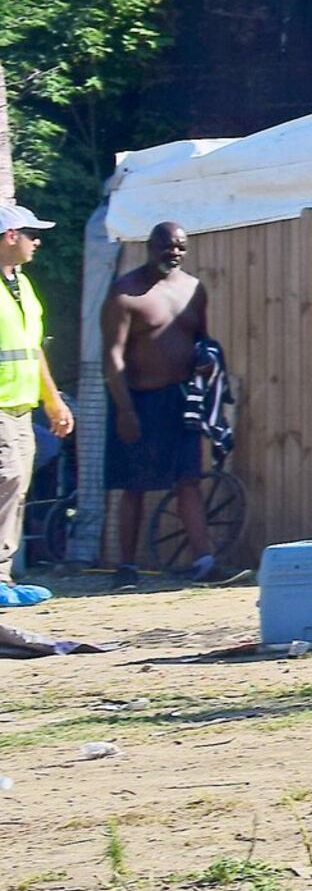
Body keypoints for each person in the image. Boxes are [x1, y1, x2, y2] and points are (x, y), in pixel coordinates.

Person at [100, 219, 216, 583]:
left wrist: (207, 360)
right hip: (138, 399)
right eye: (168, 246)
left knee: (188, 480)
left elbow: (202, 340)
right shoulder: (125, 293)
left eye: (181, 247)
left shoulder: (194, 290)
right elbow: (113, 357)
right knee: (133, 484)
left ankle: (204, 562)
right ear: (151, 246)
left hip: (181, 399)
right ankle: (127, 565)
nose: (175, 253)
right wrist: (125, 410)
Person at [0, 203, 77, 610]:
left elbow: (31, 351)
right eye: (31, 233)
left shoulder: (23, 286)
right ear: (11, 236)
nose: (38, 241)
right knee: (7, 482)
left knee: (16, 489)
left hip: (20, 409)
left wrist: (53, 401)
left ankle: (3, 577)